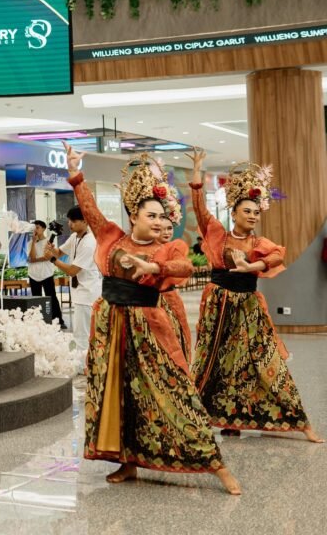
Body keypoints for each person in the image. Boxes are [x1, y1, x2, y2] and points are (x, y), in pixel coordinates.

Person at [62, 142, 241, 494]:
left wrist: (153, 266)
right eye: (152, 216)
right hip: (112, 327)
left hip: (148, 329)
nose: (159, 222)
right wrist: (74, 174)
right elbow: (90, 209)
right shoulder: (111, 237)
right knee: (119, 394)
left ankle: (216, 465)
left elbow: (185, 266)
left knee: (175, 394)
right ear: (133, 216)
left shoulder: (166, 247)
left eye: (162, 216)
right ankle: (128, 462)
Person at [187, 149, 322, 443]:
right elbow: (199, 208)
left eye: (256, 212)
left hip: (248, 308)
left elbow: (276, 255)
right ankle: (224, 419)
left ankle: (298, 421)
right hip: (218, 307)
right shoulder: (217, 235)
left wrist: (252, 265)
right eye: (246, 210)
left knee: (262, 360)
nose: (251, 216)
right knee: (215, 362)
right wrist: (198, 172)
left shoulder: (258, 242)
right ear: (233, 212)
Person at [46, 206, 100, 366]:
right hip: (80, 293)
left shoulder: (89, 243)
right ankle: (86, 366)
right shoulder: (75, 237)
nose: (70, 224)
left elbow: (72, 271)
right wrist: (51, 249)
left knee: (82, 335)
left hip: (88, 294)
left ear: (84, 221)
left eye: (74, 221)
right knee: (82, 334)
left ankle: (82, 367)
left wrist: (52, 260)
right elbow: (59, 253)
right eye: (69, 220)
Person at [156, 211, 192, 365]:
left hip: (170, 299)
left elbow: (182, 266)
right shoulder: (145, 248)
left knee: (176, 339)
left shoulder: (175, 246)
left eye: (169, 228)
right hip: (148, 302)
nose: (166, 232)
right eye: (160, 229)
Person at [27, 220, 65, 328]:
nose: (35, 230)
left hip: (47, 274)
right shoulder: (30, 243)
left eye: (38, 227)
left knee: (52, 297)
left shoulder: (50, 241)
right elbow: (32, 257)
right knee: (35, 298)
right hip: (33, 275)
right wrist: (34, 242)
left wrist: (35, 260)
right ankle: (37, 322)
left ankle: (58, 321)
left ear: (43, 229)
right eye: (34, 228)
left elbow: (46, 257)